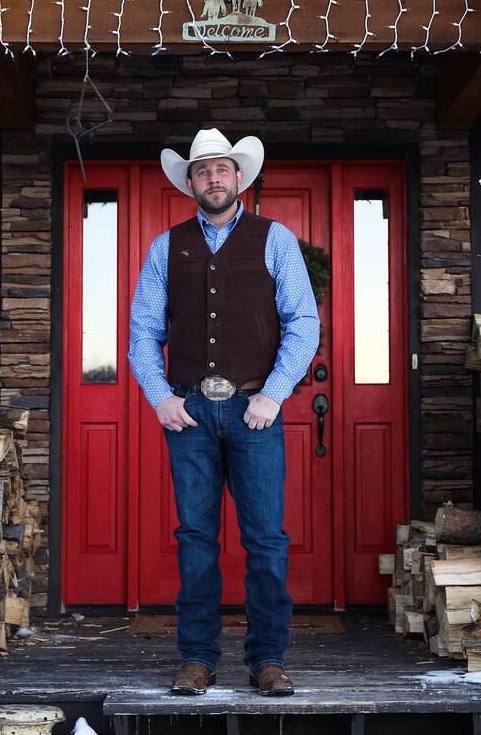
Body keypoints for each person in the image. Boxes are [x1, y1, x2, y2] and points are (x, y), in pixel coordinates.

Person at [128, 128, 320, 697]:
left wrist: (275, 393)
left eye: (222, 169)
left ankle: (267, 659)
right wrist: (160, 396)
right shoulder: (166, 247)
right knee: (195, 538)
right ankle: (197, 658)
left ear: (240, 178)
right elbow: (143, 330)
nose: (213, 178)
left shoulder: (275, 239)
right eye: (202, 170)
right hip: (189, 411)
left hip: (254, 408)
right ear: (189, 182)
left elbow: (303, 323)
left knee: (265, 540)